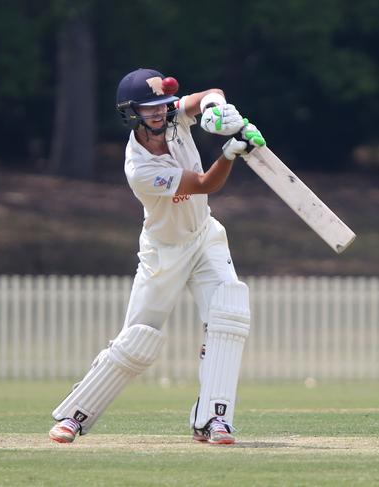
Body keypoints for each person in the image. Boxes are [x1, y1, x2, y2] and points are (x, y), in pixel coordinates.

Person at [48, 68, 265, 445]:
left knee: (229, 316)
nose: (159, 114)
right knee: (137, 341)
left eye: (163, 106)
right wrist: (230, 151)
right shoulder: (140, 168)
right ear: (131, 114)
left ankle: (214, 419)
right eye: (149, 109)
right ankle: (74, 414)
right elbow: (204, 184)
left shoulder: (175, 119)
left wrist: (217, 109)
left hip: (205, 237)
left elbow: (207, 93)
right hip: (164, 252)